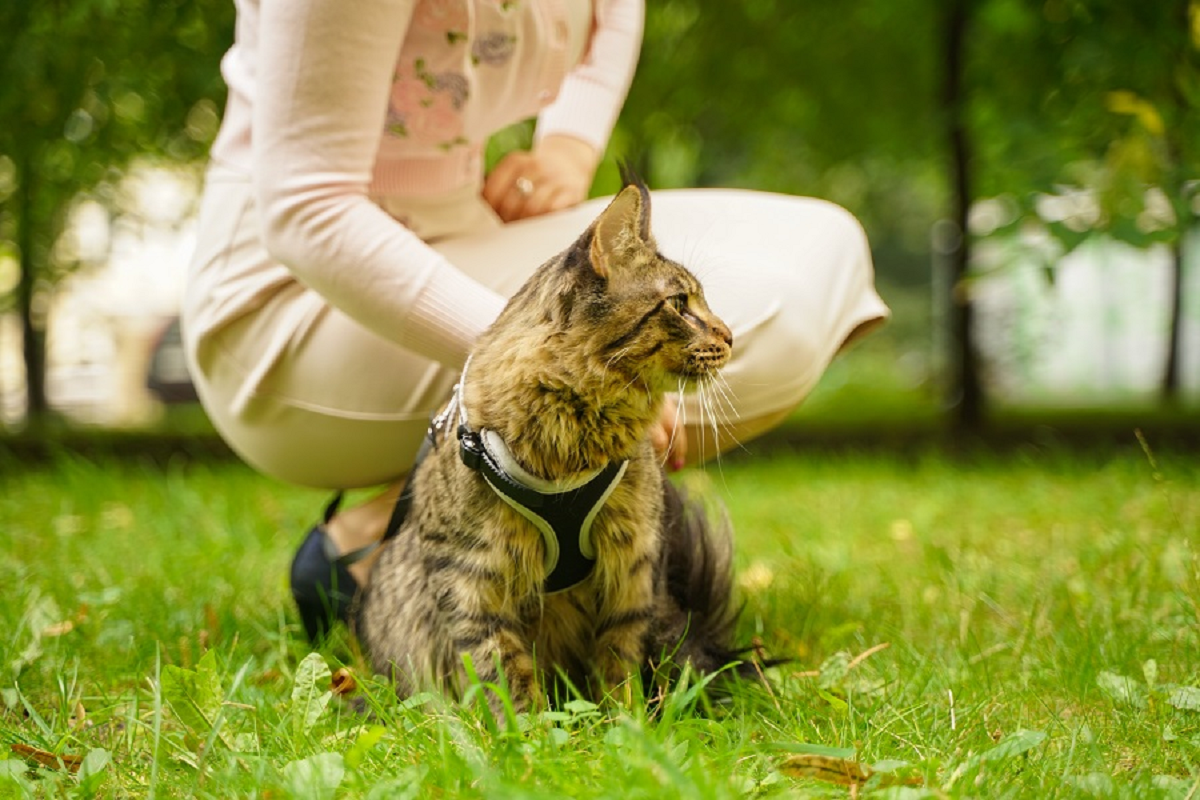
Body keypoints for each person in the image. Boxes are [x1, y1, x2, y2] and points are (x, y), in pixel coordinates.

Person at [181, 0, 890, 643]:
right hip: (293, 304)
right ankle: (411, 546)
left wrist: (570, 145)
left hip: (463, 233)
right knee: (757, 319)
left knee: (816, 258)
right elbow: (306, 207)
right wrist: (547, 353)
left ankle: (424, 536)